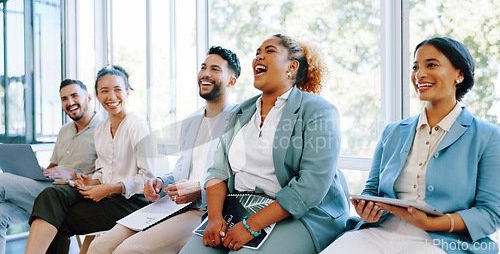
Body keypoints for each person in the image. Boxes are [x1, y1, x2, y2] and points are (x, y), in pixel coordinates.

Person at [321, 37, 500, 254]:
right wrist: (368, 211)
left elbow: (490, 214)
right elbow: (372, 190)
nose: (419, 74)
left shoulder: (488, 136)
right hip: (378, 233)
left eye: (431, 65)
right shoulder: (393, 131)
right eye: (415, 67)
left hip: (441, 241)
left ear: (459, 74)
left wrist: (433, 224)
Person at [179, 34, 350, 254]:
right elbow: (217, 171)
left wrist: (251, 226)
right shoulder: (240, 112)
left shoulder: (318, 111)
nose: (258, 57)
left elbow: (311, 185)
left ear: (292, 66)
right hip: (239, 207)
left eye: (269, 51)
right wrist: (214, 218)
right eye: (257, 53)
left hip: (299, 213)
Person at [87, 45, 241, 254]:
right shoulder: (191, 121)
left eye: (215, 69)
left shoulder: (239, 121)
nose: (205, 73)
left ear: (232, 81)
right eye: (203, 67)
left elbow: (241, 180)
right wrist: (160, 182)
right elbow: (180, 170)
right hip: (173, 204)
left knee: (127, 251)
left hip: (206, 210)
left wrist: (199, 189)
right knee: (99, 245)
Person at [25, 65, 156, 254]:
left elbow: (148, 178)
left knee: (58, 219)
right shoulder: (102, 129)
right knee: (51, 195)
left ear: (127, 92)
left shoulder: (137, 125)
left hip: (134, 202)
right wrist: (91, 180)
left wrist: (110, 188)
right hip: (106, 194)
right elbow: (102, 170)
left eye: (117, 90)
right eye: (104, 91)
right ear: (96, 96)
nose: (111, 96)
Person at [0, 79, 99, 254]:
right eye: (64, 98)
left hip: (69, 194)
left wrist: (73, 173)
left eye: (74, 96)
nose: (69, 102)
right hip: (48, 188)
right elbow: (54, 165)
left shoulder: (103, 129)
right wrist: (38, 171)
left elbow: (106, 174)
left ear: (89, 98)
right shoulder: (65, 130)